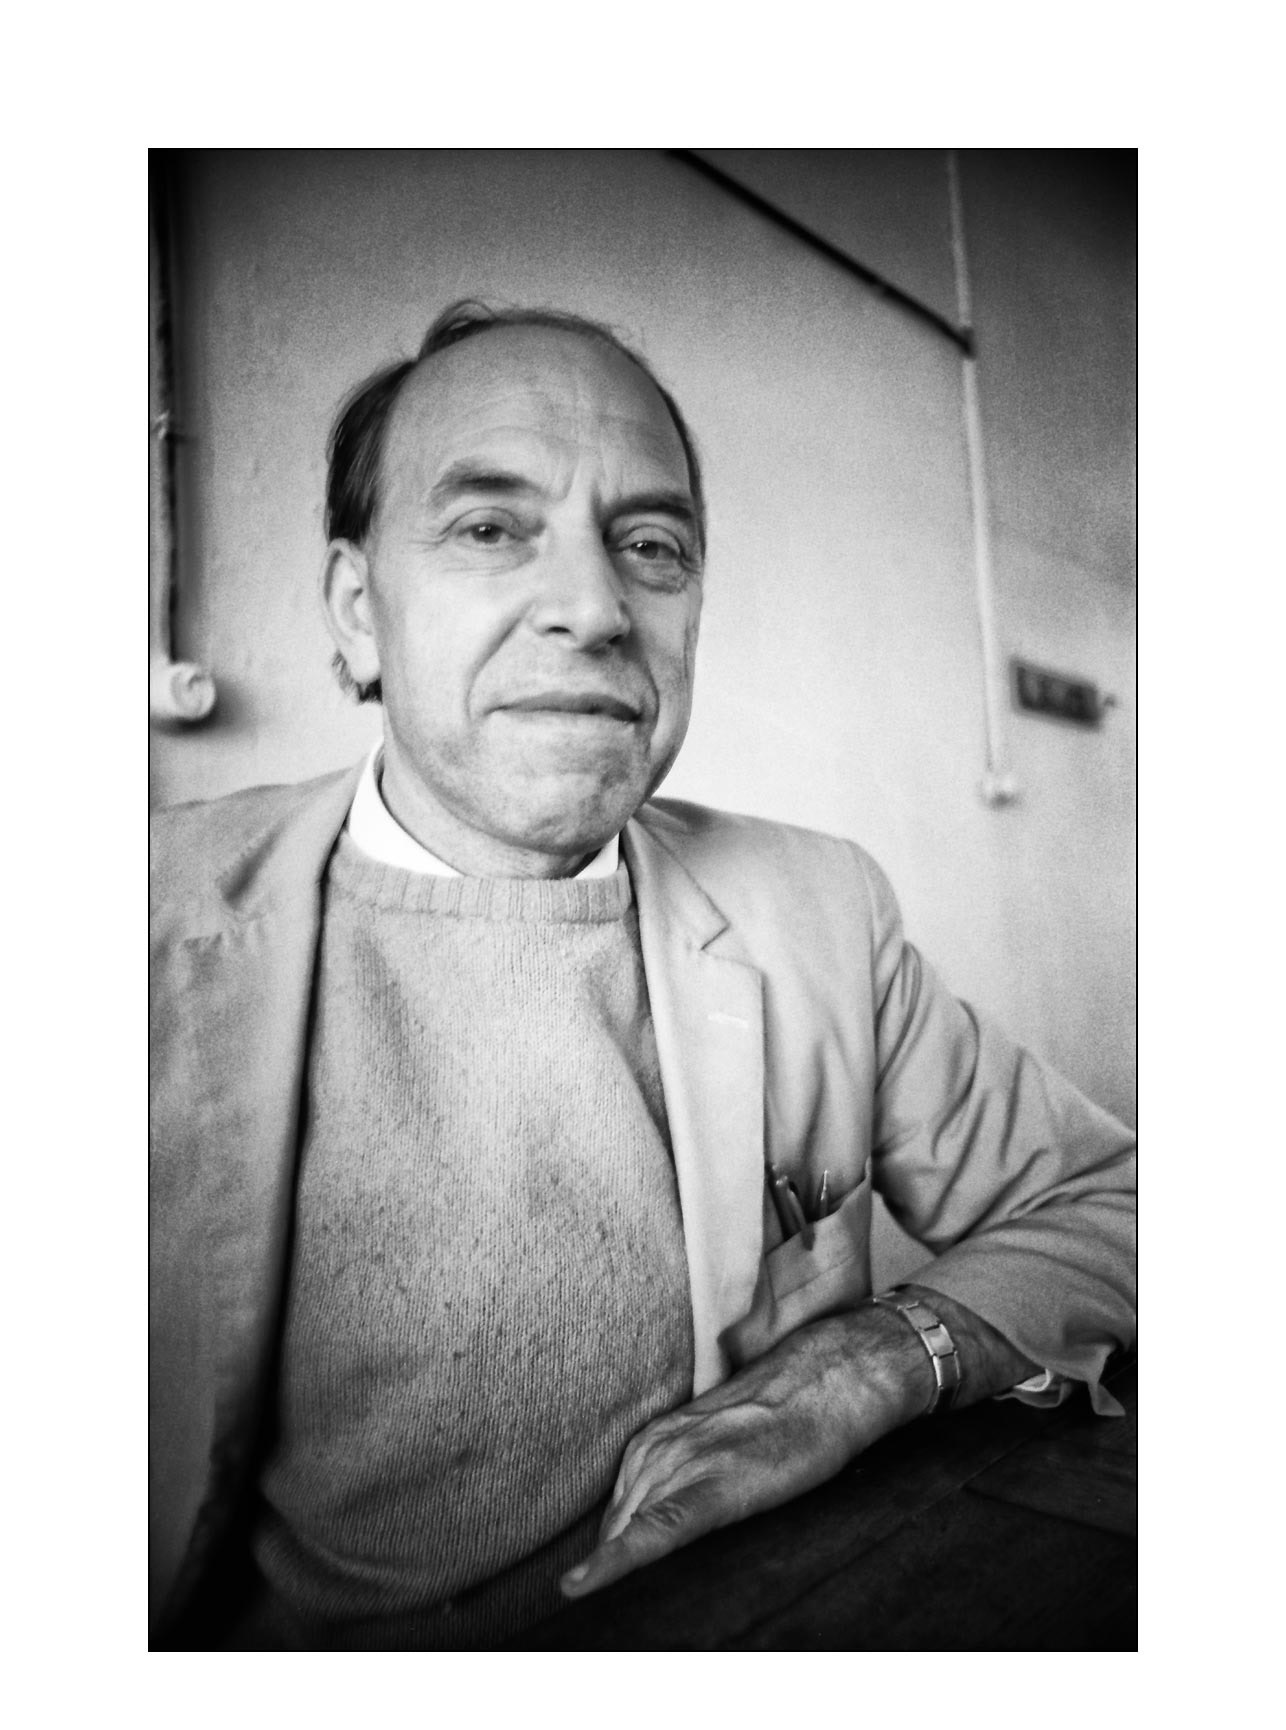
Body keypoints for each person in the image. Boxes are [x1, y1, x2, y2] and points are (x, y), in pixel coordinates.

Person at [150, 300, 1135, 1650]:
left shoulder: (819, 911)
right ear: (358, 610)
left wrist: (882, 1358)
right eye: (490, 528)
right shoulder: (133, 925)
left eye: (651, 546)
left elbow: (1120, 1202)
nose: (595, 609)